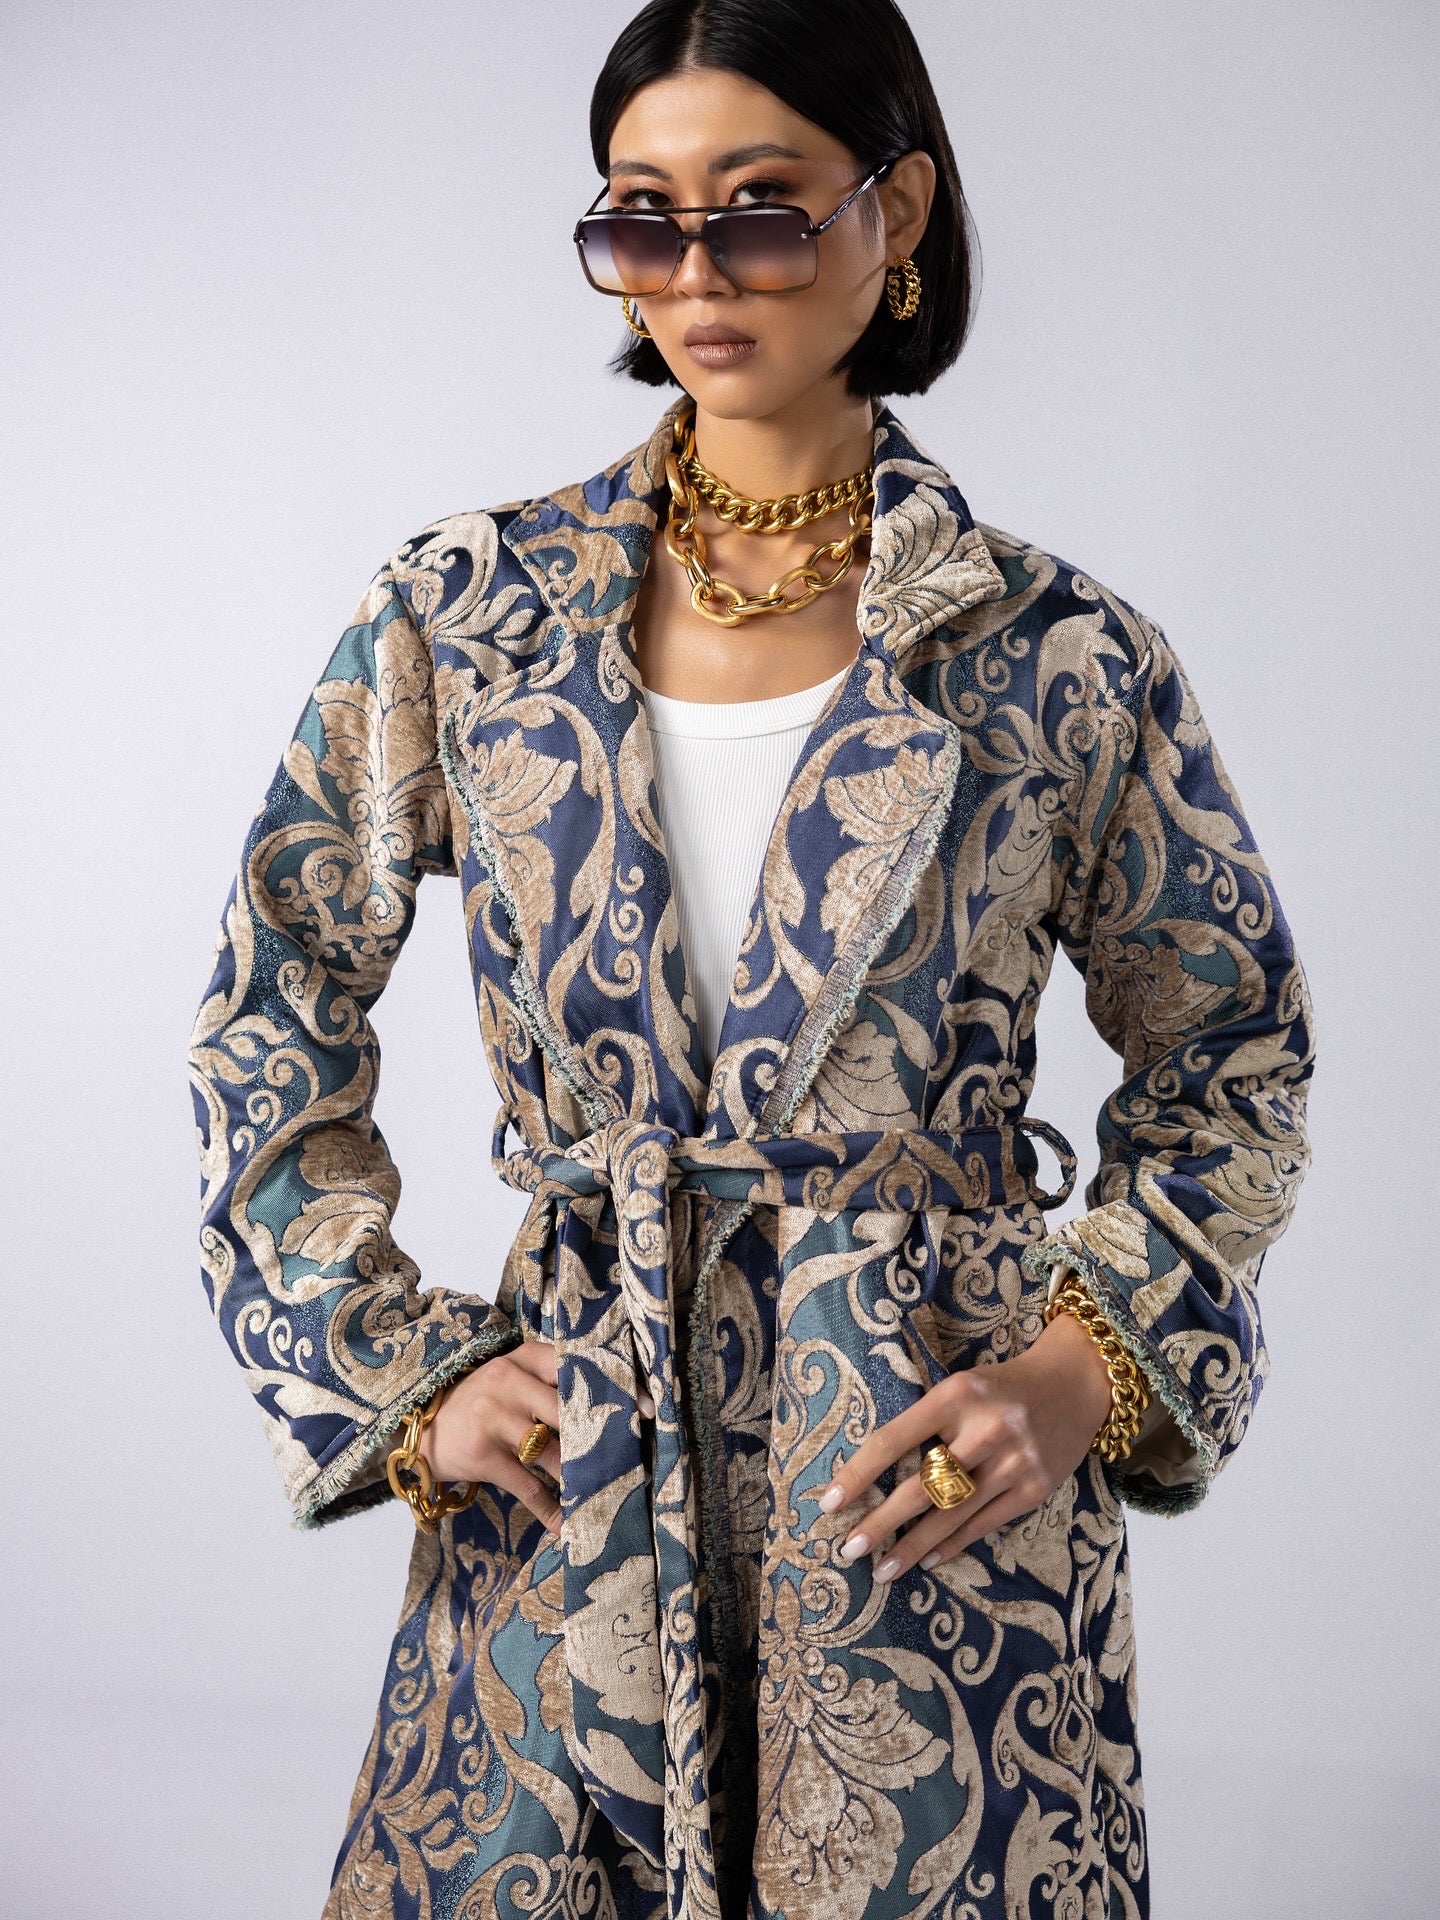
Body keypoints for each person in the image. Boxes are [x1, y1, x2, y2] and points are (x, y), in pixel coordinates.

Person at [186, 3, 1316, 1916]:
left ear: (902, 214)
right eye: (642, 217)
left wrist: (1076, 1372)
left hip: (920, 1491)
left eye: (764, 211)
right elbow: (270, 998)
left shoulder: (1061, 656)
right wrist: (401, 1370)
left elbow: (1233, 1061)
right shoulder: (468, 613)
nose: (697, 273)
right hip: (577, 1462)